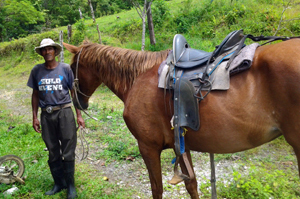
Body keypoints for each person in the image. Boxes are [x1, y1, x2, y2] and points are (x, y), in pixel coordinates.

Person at [27, 38, 85, 199]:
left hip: (65, 112)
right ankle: (59, 183)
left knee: (68, 149)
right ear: (42, 53)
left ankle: (71, 186)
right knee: (52, 150)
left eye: (50, 49)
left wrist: (79, 115)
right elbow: (35, 94)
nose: (47, 52)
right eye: (44, 50)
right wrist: (34, 117)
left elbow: (73, 92)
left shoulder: (65, 68)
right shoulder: (36, 71)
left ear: (55, 51)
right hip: (46, 114)